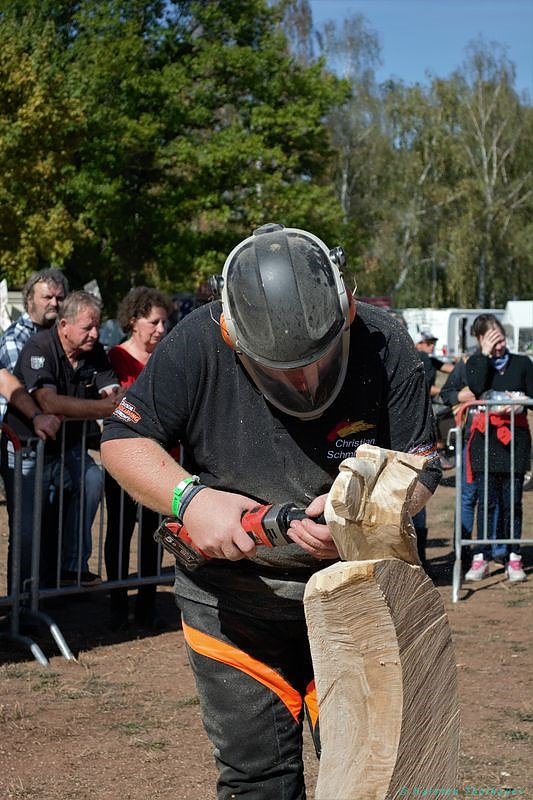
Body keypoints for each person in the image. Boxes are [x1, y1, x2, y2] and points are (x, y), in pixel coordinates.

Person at [100, 224, 441, 799]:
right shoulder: (196, 341)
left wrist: (362, 517)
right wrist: (192, 499)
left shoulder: (387, 343)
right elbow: (121, 441)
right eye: (280, 367)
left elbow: (421, 467)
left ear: (348, 310)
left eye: (317, 357)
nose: (303, 380)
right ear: (233, 335)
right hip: (233, 610)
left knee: (371, 778)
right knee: (256, 783)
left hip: (359, 598)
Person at [2, 291, 122, 590]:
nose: (95, 334)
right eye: (87, 328)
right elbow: (48, 402)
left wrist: (108, 401)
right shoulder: (39, 346)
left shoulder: (95, 351)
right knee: (28, 528)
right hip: (29, 449)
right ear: (64, 325)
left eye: (97, 326)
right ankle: (23, 599)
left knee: (92, 479)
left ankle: (72, 567)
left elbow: (114, 393)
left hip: (68, 446)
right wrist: (103, 408)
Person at [104, 286, 173, 630]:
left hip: (161, 460)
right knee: (119, 529)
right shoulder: (114, 357)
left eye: (165, 322)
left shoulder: (166, 356)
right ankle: (116, 604)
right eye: (154, 321)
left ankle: (147, 607)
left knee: (152, 533)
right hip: (124, 456)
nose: (161, 329)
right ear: (134, 321)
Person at [464, 314, 532, 583]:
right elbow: (477, 387)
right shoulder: (476, 362)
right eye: (491, 339)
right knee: (486, 502)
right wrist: (484, 355)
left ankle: (513, 556)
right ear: (480, 339)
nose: (498, 344)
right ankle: (482, 555)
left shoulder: (523, 364)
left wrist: (520, 401)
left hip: (515, 442)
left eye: (500, 338)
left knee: (512, 501)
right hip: (486, 442)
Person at [0, 268, 69, 420]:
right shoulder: (16, 337)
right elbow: (24, 390)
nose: (54, 303)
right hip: (23, 429)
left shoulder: (65, 336)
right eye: (48, 297)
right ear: (30, 300)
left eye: (60, 298)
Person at [412, 330, 454, 570]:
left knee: (416, 504)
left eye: (432, 343)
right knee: (416, 502)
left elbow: (444, 366)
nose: (430, 347)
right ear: (420, 343)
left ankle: (420, 563)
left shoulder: (425, 358)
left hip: (417, 429)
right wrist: (447, 393)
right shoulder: (421, 358)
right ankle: (420, 564)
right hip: (418, 430)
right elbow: (428, 387)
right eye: (428, 343)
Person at [439, 352, 478, 571]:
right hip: (470, 439)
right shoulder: (466, 363)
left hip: (502, 441)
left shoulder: (508, 363)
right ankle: (462, 551)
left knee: (496, 499)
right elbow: (447, 394)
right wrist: (465, 396)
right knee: (468, 496)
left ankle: (496, 551)